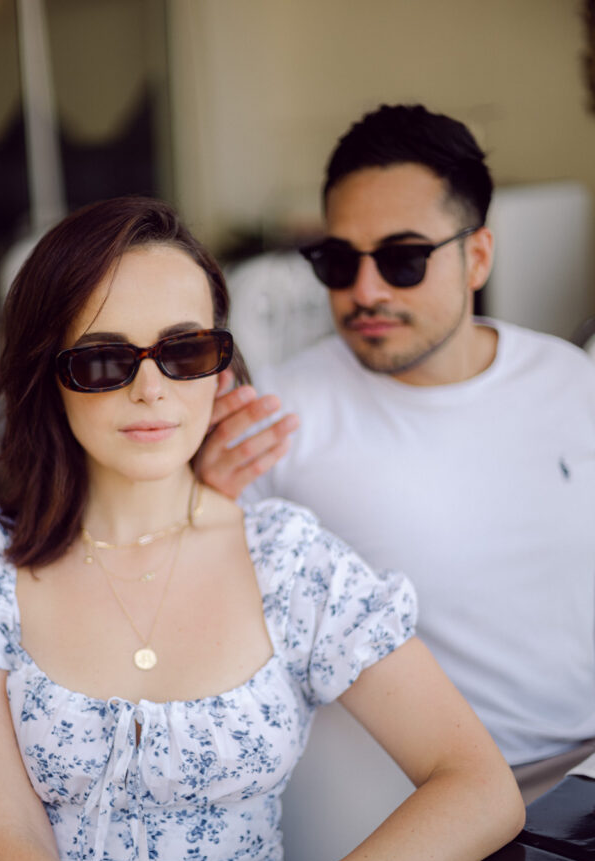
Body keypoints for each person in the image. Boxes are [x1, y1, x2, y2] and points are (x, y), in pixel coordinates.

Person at [0, 196, 523, 861]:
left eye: (185, 351)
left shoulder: (290, 562)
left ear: (220, 367)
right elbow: (9, 846)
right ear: (48, 374)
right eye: (103, 360)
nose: (151, 389)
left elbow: (480, 788)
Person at [198, 103, 595, 804]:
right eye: (338, 261)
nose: (365, 291)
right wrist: (199, 508)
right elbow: (192, 618)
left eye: (403, 259)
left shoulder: (569, 381)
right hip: (420, 800)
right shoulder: (275, 420)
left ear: (477, 256)